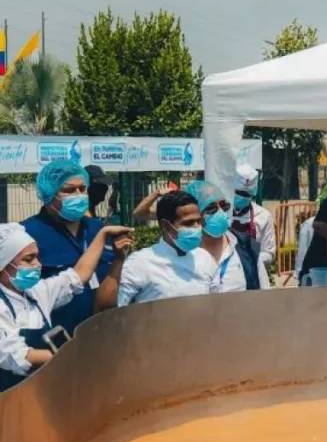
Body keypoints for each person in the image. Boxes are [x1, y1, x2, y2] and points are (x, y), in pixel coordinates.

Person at [0, 222, 131, 391]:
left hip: (42, 388)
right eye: (28, 259)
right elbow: (14, 355)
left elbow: (78, 275)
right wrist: (69, 356)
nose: (38, 264)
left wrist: (103, 235)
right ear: (4, 264)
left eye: (37, 257)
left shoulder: (35, 292)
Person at [22, 161, 120, 336]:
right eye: (68, 190)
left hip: (100, 335)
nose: (79, 195)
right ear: (49, 194)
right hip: (51, 340)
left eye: (83, 189)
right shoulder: (26, 234)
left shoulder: (98, 229)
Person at [96, 191, 220, 309]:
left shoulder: (205, 258)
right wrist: (118, 260)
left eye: (199, 221)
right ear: (166, 226)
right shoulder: (141, 262)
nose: (196, 228)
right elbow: (110, 308)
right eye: (188, 223)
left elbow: (216, 304)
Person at [185, 181, 270, 292]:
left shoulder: (247, 248)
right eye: (211, 209)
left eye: (224, 206)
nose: (220, 212)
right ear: (195, 215)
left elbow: (264, 296)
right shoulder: (185, 254)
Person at [231, 164, 277, 271]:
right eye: (239, 193)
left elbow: (269, 251)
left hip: (253, 272)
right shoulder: (221, 214)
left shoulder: (264, 216)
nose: (242, 197)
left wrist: (255, 258)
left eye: (247, 195)